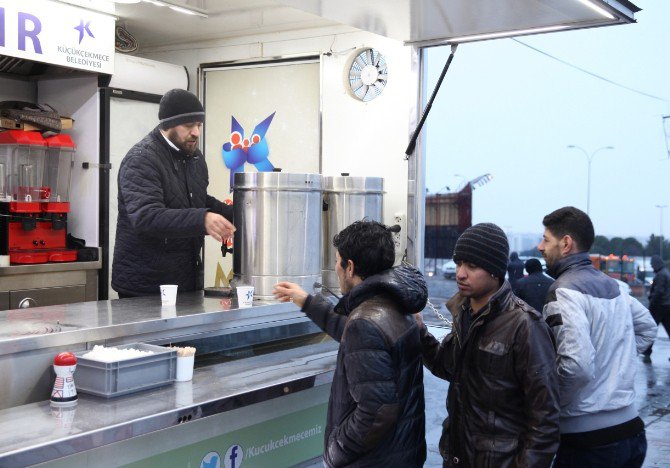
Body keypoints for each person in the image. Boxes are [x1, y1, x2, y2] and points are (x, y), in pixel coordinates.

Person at [273, 221, 427, 467]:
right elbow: (356, 332)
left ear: (350, 267)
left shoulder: (365, 321)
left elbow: (377, 411)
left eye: (337, 261)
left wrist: (336, 452)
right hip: (403, 452)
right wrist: (306, 301)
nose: (335, 267)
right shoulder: (396, 302)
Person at [418, 223, 560, 467]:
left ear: (495, 270)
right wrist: (420, 333)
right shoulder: (464, 314)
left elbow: (545, 419)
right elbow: (447, 365)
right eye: (459, 263)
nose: (461, 273)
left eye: (472, 266)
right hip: (458, 456)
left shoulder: (524, 325)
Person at [538, 206, 657, 468]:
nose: (539, 247)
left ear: (566, 243)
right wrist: (613, 364)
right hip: (632, 432)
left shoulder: (563, 291)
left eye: (546, 239)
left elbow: (576, 367)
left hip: (589, 443)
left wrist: (550, 408)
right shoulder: (611, 285)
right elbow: (648, 328)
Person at [112, 88, 235, 298]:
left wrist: (239, 212)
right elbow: (147, 217)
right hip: (146, 286)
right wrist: (202, 218)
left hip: (186, 280)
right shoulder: (141, 159)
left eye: (199, 125)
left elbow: (196, 200)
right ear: (168, 125)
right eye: (189, 125)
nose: (196, 132)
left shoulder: (194, 157)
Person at [642, 254, 670, 363]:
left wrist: (652, 303)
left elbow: (659, 292)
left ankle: (647, 352)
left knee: (651, 329)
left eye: (652, 264)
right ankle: (647, 351)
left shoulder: (661, 275)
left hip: (659, 306)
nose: (652, 267)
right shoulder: (665, 272)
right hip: (666, 306)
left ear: (656, 264)